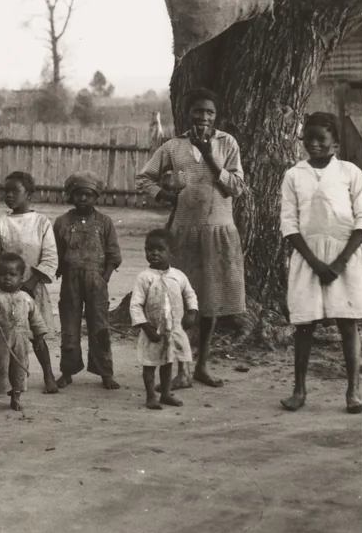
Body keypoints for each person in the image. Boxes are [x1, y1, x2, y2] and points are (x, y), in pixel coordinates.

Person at [137, 88, 247, 389]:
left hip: (218, 232)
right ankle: (180, 369)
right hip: (184, 233)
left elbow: (236, 188)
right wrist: (165, 195)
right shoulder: (173, 146)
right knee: (179, 301)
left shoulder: (227, 144)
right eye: (198, 111)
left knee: (210, 302)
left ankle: (201, 366)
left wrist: (210, 156)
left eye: (209, 112)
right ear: (188, 114)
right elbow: (143, 178)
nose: (204, 117)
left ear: (216, 116)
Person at [279, 113, 362, 414]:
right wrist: (316, 263)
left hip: (347, 255)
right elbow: (289, 224)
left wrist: (341, 262)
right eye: (309, 138)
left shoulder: (349, 172)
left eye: (322, 139)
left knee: (348, 324)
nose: (314, 144)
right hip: (309, 257)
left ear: (336, 144)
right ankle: (299, 389)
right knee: (305, 324)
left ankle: (353, 391)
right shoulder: (294, 175)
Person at [0, 170, 61, 394]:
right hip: (5, 287)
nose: (9, 196)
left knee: (37, 333)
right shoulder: (1, 223)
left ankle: (48, 374)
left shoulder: (41, 222)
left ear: (29, 194)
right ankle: (7, 380)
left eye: (14, 191)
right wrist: (4, 278)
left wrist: (31, 281)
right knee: (4, 333)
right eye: (5, 191)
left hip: (32, 288)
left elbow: (49, 256)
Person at [52, 171, 121, 390]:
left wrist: (104, 278)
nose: (83, 199)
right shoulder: (62, 222)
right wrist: (60, 270)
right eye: (78, 194)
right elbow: (55, 252)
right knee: (69, 327)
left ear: (96, 197)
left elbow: (113, 254)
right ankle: (67, 371)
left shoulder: (105, 222)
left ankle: (105, 373)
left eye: (88, 195)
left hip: (96, 283)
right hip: (70, 283)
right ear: (71, 196)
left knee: (99, 327)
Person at [129, 229, 199, 410]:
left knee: (168, 363)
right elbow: (135, 305)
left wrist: (192, 311)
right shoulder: (144, 278)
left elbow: (189, 294)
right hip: (153, 331)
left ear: (171, 252)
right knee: (150, 365)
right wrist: (145, 326)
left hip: (173, 330)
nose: (154, 253)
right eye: (150, 249)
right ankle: (151, 396)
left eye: (160, 249)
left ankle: (166, 393)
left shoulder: (178, 276)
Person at [0, 253, 48, 412]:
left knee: (18, 370)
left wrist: (39, 338)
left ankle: (16, 397)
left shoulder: (26, 298)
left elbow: (36, 319)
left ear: (22, 278)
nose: (6, 278)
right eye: (1, 274)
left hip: (20, 343)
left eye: (12, 274)